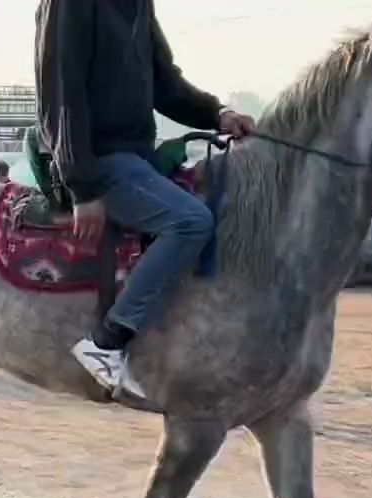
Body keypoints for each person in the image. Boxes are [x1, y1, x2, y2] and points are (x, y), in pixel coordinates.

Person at [37, 0, 254, 403]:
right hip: (98, 159)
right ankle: (107, 341)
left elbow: (164, 82)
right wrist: (82, 187)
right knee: (190, 221)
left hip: (136, 157)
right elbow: (62, 94)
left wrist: (217, 114)